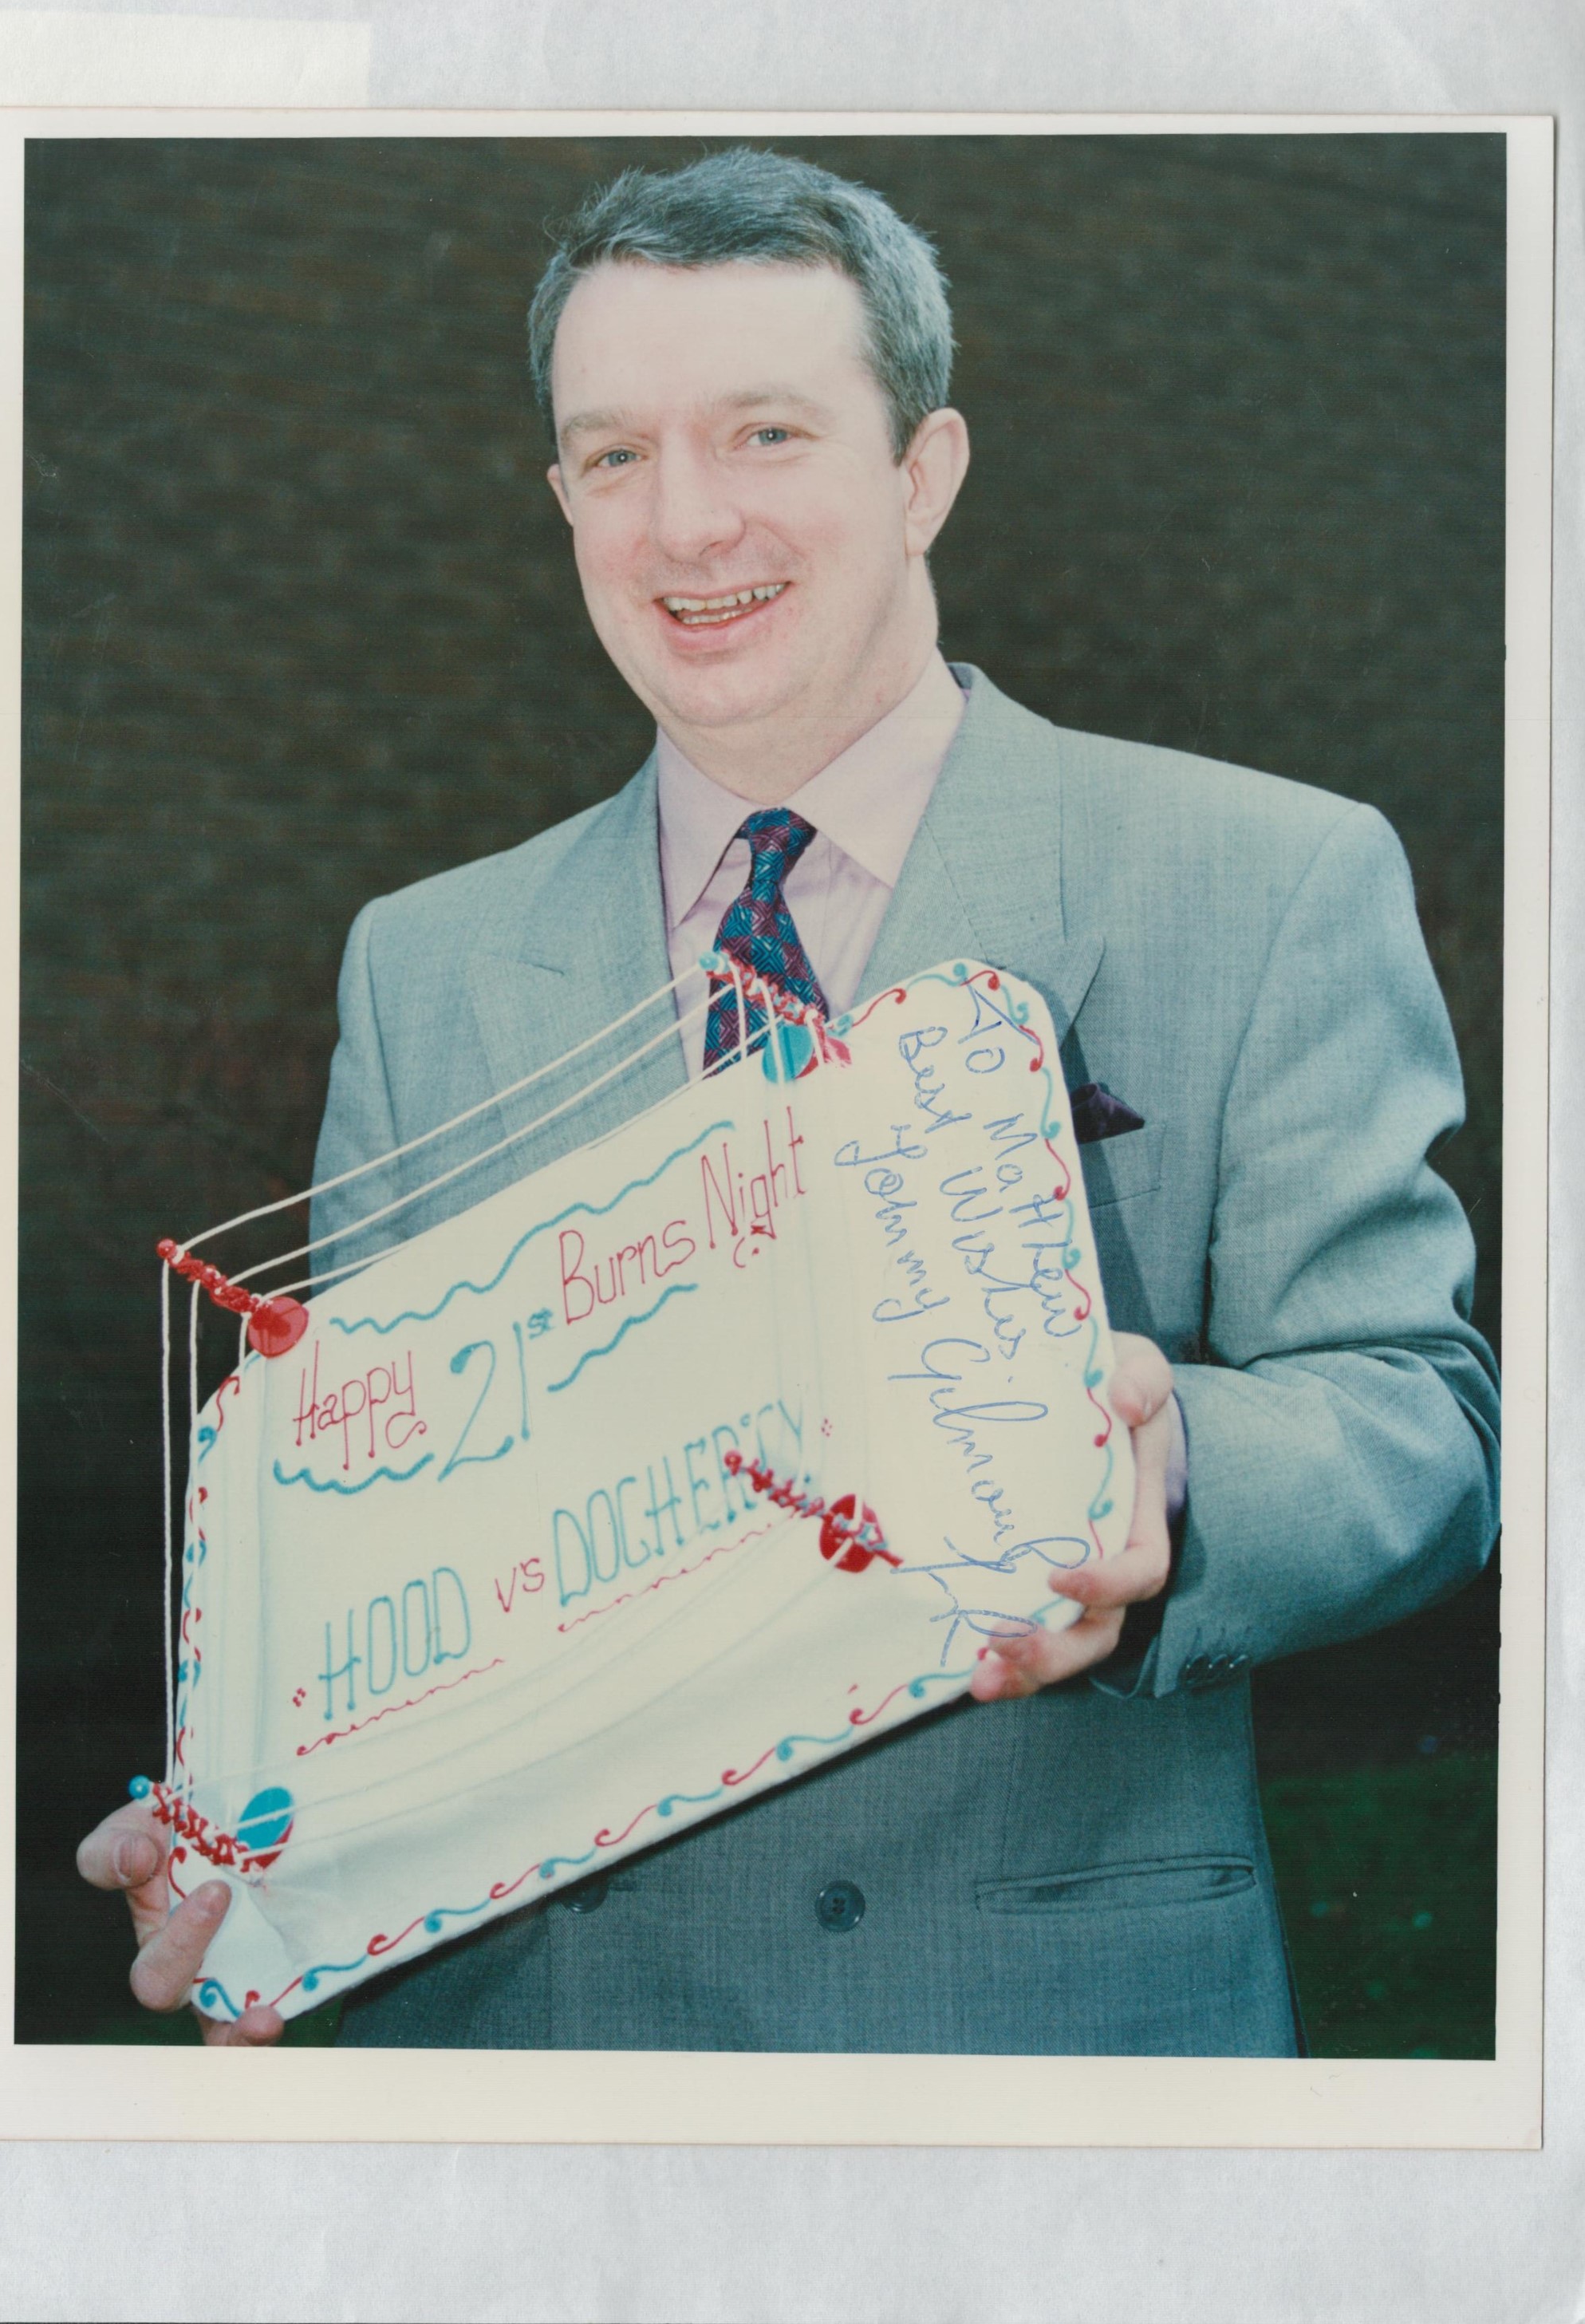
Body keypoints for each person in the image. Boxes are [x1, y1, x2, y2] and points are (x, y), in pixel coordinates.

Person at [79, 148, 1499, 2054]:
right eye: (610, 456)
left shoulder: (1260, 876)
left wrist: (1173, 1482)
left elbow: (1420, 1413)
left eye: (764, 432)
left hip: (1038, 2038)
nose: (686, 523)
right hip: (559, 2055)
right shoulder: (425, 962)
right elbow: (388, 1542)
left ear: (924, 472)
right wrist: (270, 1830)